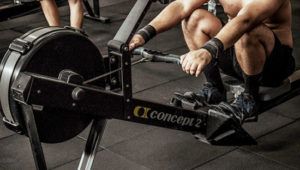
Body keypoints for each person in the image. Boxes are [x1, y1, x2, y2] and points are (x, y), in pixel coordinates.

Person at [129, 0, 295, 123]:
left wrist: (208, 50)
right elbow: (181, 5)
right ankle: (215, 88)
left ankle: (250, 99)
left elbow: (246, 19)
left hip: (273, 65)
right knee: (193, 18)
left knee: (248, 29)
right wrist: (142, 35)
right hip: (239, 55)